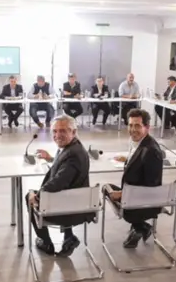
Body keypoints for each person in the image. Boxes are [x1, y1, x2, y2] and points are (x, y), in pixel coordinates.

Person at [26, 115, 91, 256]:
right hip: (74, 200)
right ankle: (69, 237)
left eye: (62, 131)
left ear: (73, 132)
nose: (57, 135)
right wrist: (50, 158)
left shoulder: (73, 154)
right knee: (64, 191)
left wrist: (36, 196)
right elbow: (65, 169)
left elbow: (59, 182)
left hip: (67, 209)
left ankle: (46, 242)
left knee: (29, 195)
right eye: (54, 131)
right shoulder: (72, 147)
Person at [104, 109, 165, 248]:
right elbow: (141, 162)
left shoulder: (151, 151)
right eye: (130, 125)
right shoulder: (141, 143)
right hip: (133, 195)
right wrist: (128, 159)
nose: (132, 129)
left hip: (142, 201)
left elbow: (150, 186)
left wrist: (122, 194)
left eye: (137, 125)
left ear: (147, 127)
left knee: (107, 190)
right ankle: (139, 227)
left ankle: (140, 226)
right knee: (107, 188)